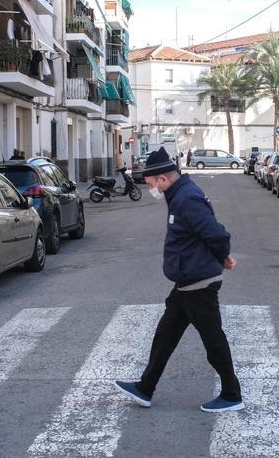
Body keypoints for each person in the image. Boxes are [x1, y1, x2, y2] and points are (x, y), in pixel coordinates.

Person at [114, 147, 243, 413]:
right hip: (186, 283)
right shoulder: (178, 194)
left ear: (163, 178)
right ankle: (145, 387)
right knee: (165, 335)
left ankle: (232, 394)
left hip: (198, 283)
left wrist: (224, 257)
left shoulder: (187, 198)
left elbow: (216, 234)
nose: (149, 186)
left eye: (150, 182)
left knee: (213, 340)